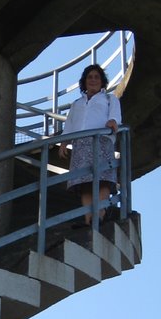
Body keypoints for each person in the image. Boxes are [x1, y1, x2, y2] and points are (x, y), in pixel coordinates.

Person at [59, 64, 121, 225]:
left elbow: (115, 117)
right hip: (81, 145)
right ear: (84, 81)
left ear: (102, 81)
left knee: (103, 178)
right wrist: (64, 142)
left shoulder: (109, 99)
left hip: (101, 142)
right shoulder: (77, 103)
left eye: (96, 77)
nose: (93, 80)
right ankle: (88, 220)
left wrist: (113, 121)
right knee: (84, 183)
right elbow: (70, 124)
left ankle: (99, 215)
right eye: (90, 77)